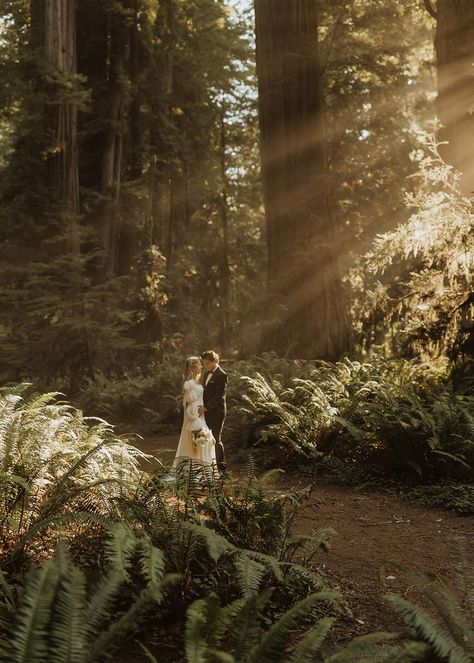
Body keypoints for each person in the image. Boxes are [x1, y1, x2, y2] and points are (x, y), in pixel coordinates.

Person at [172, 356, 217, 477]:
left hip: (201, 416)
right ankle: (200, 474)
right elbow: (189, 403)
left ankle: (202, 473)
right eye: (199, 364)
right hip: (196, 418)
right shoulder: (189, 383)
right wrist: (195, 416)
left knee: (203, 443)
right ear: (193, 367)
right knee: (201, 443)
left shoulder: (197, 382)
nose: (201, 366)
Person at [199, 350, 228, 475]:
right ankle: (210, 467)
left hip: (217, 411)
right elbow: (205, 392)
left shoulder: (222, 375)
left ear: (215, 360)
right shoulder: (206, 374)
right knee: (206, 438)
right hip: (206, 411)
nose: (206, 366)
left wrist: (206, 407)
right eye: (204, 363)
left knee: (216, 438)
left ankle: (222, 469)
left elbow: (218, 396)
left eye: (208, 363)